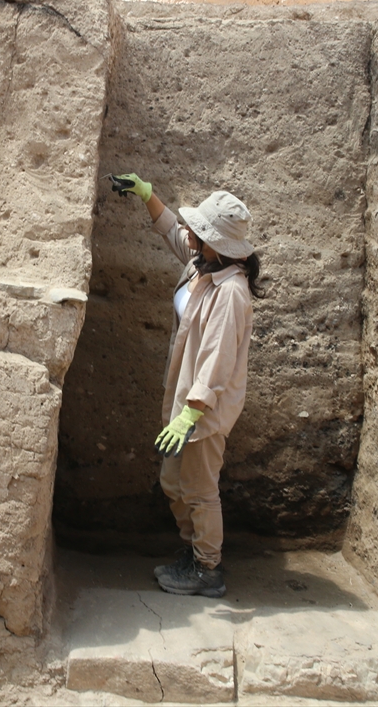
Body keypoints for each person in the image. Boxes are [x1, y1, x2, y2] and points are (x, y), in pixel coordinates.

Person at [111, 173, 263, 598]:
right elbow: (174, 235)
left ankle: (207, 569)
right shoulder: (203, 265)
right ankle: (193, 552)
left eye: (198, 233)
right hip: (186, 402)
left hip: (204, 408)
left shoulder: (231, 291)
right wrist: (147, 196)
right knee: (173, 483)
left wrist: (194, 412)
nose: (191, 237)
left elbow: (218, 359)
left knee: (198, 487)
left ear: (216, 241)